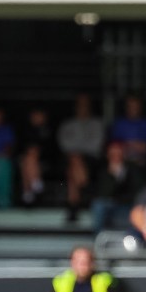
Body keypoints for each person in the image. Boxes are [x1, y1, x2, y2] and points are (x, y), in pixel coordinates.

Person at [58, 93, 104, 222]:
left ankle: (73, 206)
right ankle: (84, 187)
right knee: (74, 163)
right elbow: (64, 144)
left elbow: (96, 145)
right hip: (70, 158)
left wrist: (77, 151)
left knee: (73, 168)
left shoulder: (96, 124)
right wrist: (76, 153)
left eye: (85, 104)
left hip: (91, 160)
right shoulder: (67, 124)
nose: (82, 107)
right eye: (80, 104)